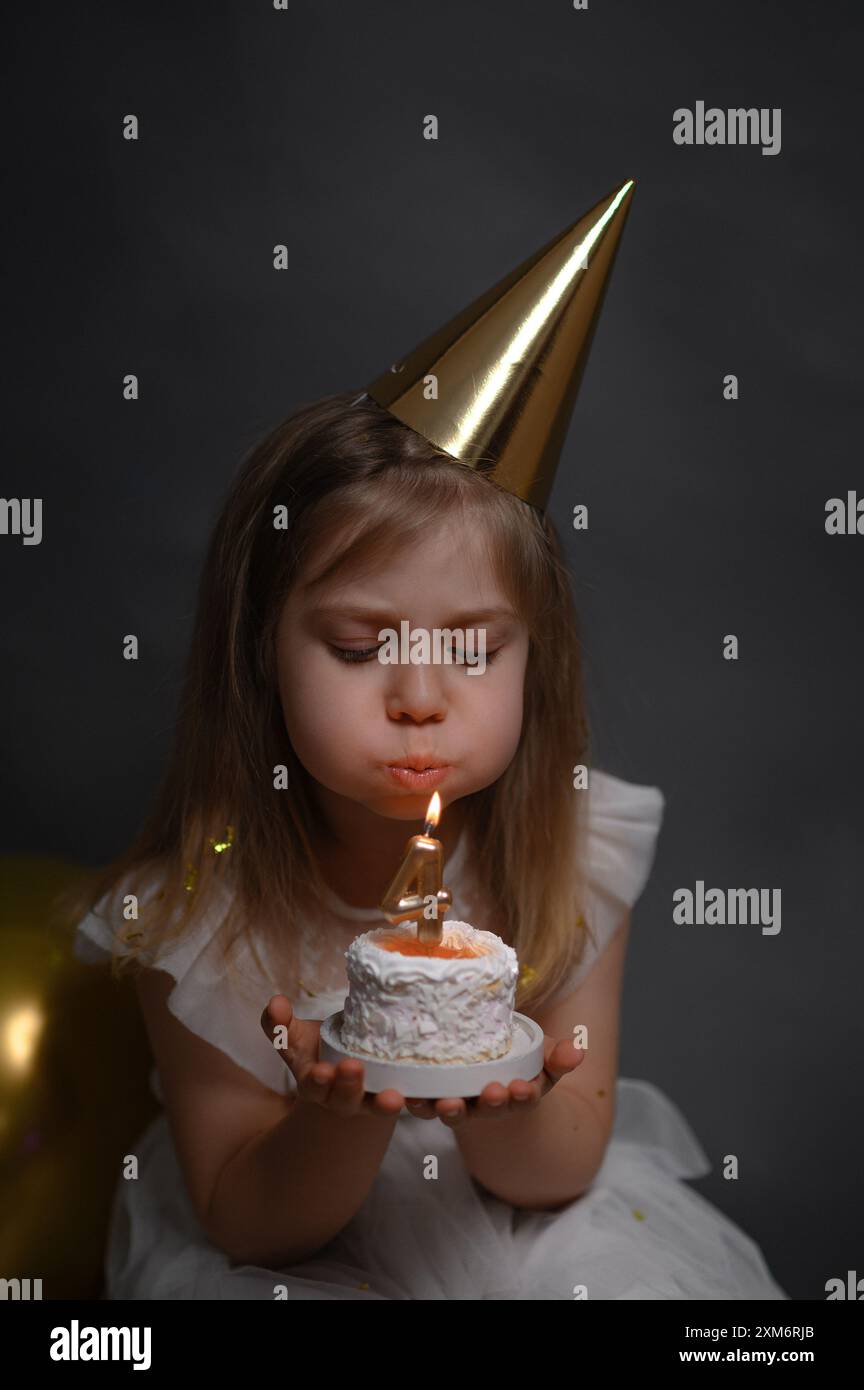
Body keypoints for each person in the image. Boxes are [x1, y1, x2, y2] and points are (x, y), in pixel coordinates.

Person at [72, 183, 790, 1299]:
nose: (419, 698)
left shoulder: (570, 850)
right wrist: (335, 1111)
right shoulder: (194, 919)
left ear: (532, 661)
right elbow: (250, 1225)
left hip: (521, 1237)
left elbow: (555, 1177)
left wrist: (515, 1095)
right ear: (260, 654)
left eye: (472, 650)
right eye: (360, 649)